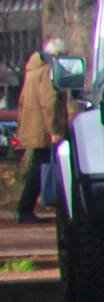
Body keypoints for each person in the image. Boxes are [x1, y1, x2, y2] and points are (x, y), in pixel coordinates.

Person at [14, 38, 68, 224]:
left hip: (34, 124)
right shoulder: (48, 71)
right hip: (45, 127)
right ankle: (25, 209)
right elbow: (49, 103)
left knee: (38, 166)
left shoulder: (33, 70)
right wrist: (54, 129)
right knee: (40, 168)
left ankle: (25, 209)